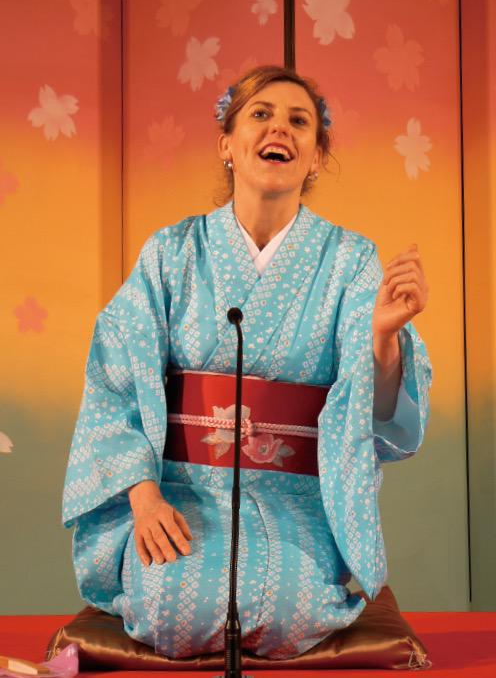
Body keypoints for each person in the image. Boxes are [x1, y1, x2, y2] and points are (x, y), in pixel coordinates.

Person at [63, 65, 431, 660]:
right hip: (182, 492)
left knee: (289, 608)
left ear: (316, 157)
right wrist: (144, 499)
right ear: (226, 144)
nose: (278, 128)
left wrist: (384, 339)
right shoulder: (171, 254)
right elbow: (116, 379)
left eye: (298, 121)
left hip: (297, 500)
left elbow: (381, 410)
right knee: (173, 603)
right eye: (260, 114)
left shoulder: (350, 262)